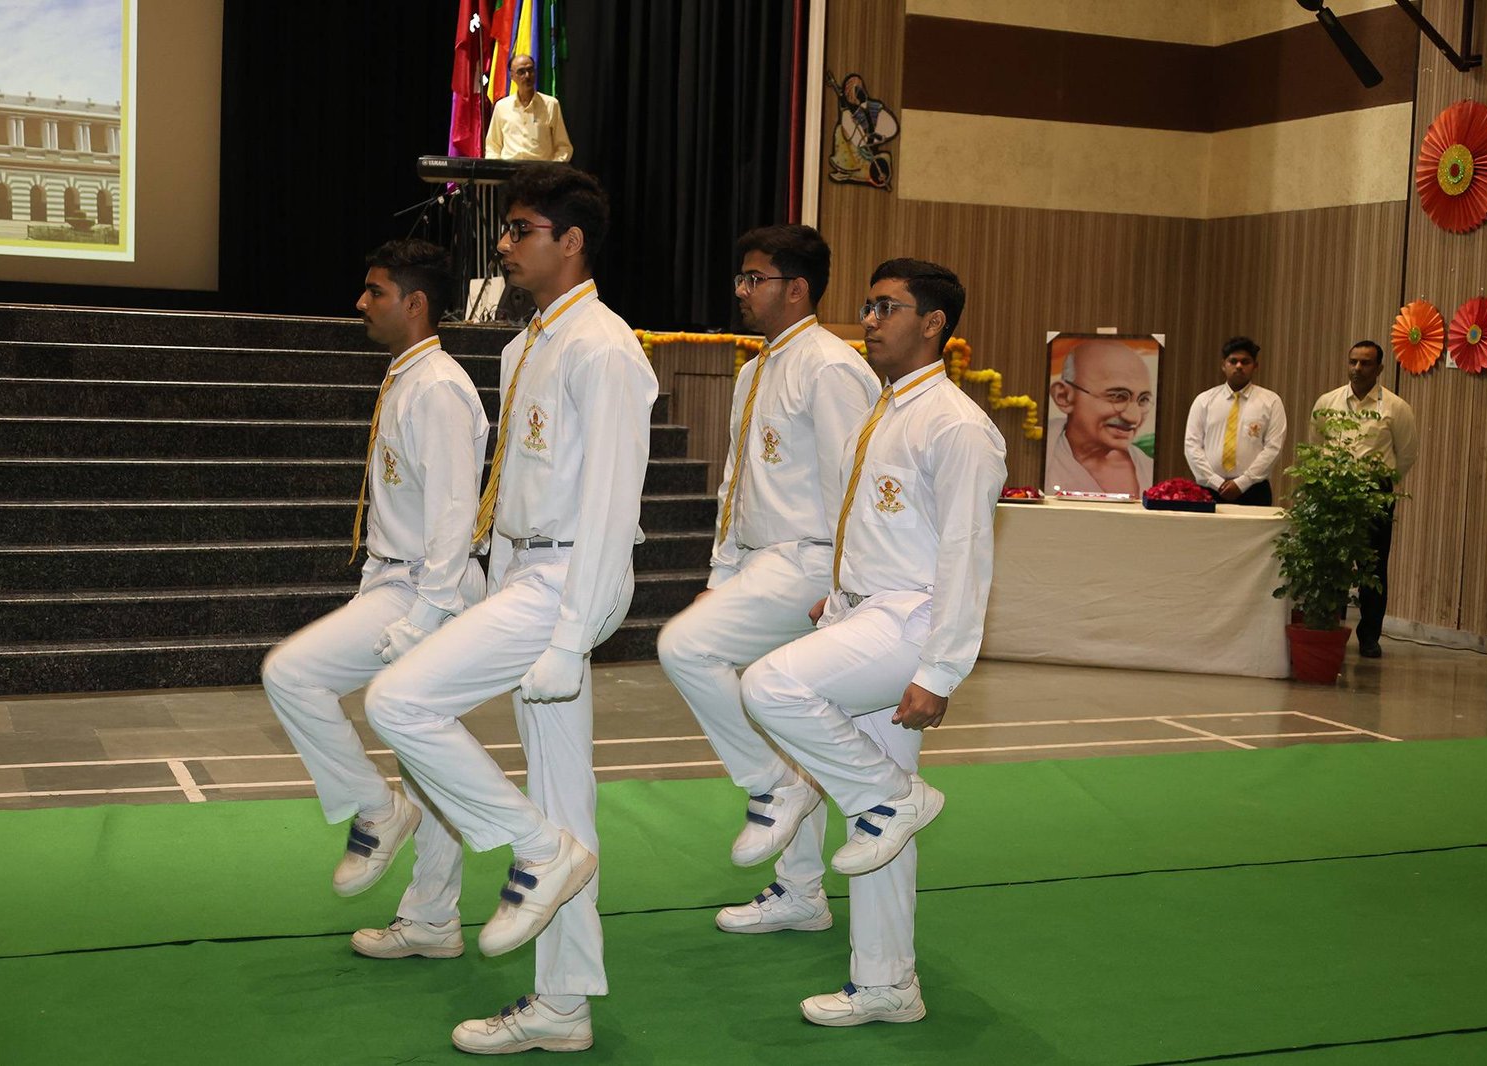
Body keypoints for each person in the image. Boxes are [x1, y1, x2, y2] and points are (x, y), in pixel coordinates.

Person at [363, 164, 657, 1055]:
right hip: (522, 568)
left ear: (571, 241)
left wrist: (573, 632)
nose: (501, 243)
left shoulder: (604, 347)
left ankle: (531, 848)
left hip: (569, 578)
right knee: (566, 799)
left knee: (399, 702)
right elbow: (511, 490)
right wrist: (475, 590)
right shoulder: (526, 343)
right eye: (506, 229)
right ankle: (563, 1005)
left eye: (520, 229)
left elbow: (611, 502)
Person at [740, 258, 1008, 1026]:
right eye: (867, 305)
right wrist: (839, 598)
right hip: (866, 613)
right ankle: (887, 982)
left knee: (770, 686)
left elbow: (965, 554)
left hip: (913, 621)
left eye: (889, 307)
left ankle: (891, 798)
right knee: (877, 830)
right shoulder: (883, 408)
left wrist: (941, 671)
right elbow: (879, 529)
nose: (869, 320)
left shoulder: (957, 425)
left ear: (934, 324)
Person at [260, 238, 489, 959]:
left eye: (376, 291)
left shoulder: (438, 386)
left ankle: (373, 808)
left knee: (292, 673)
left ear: (415, 303)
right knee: (426, 755)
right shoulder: (407, 376)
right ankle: (431, 919)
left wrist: (426, 614)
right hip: (400, 577)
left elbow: (454, 512)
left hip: (429, 586)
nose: (361, 303)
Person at [656, 225, 879, 936]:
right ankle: (801, 891)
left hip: (810, 560)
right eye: (741, 277)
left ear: (798, 288)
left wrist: (843, 589)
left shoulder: (832, 367)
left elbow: (852, 488)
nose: (741, 291)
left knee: (684, 647)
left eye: (755, 278)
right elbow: (735, 483)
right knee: (780, 715)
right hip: (758, 559)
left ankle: (770, 785)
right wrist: (721, 574)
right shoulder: (754, 370)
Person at [1311, 340, 1418, 658]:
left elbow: (1406, 454)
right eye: (1353, 362)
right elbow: (1316, 445)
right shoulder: (1328, 401)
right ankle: (1330, 630)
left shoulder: (1395, 407)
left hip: (1374, 493)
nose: (1357, 368)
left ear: (1379, 368)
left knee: (1373, 567)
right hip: (1334, 491)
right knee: (1334, 564)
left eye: (1366, 363)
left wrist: (1380, 483)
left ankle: (1369, 637)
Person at [1183, 336, 1288, 505]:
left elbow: (1273, 449)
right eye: (1233, 361)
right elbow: (1192, 446)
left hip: (1253, 489)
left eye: (1245, 362)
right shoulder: (1204, 400)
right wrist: (1215, 482)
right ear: (1223, 365)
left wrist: (1242, 483)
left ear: (1255, 366)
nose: (1239, 366)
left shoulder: (1271, 402)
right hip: (1209, 488)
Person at [1043, 340, 1154, 494]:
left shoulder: (1147, 469)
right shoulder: (1037, 460)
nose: (1134, 418)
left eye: (1143, 400)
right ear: (1064, 396)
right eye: (1117, 396)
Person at [485, 53, 573, 162]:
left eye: (530, 70)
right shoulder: (502, 107)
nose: (527, 76)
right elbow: (492, 146)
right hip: (509, 170)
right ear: (512, 76)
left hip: (540, 170)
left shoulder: (551, 105)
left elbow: (563, 147)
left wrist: (551, 169)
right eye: (521, 72)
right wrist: (497, 168)